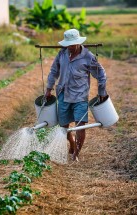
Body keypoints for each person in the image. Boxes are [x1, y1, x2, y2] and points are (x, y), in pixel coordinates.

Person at [44, 28, 108, 161]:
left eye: (73, 44)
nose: (70, 47)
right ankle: (72, 143)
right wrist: (48, 88)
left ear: (78, 42)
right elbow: (53, 71)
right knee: (63, 127)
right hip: (63, 94)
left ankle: (76, 155)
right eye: (68, 45)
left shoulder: (88, 57)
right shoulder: (62, 54)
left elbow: (101, 74)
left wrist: (101, 92)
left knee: (80, 125)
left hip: (80, 96)